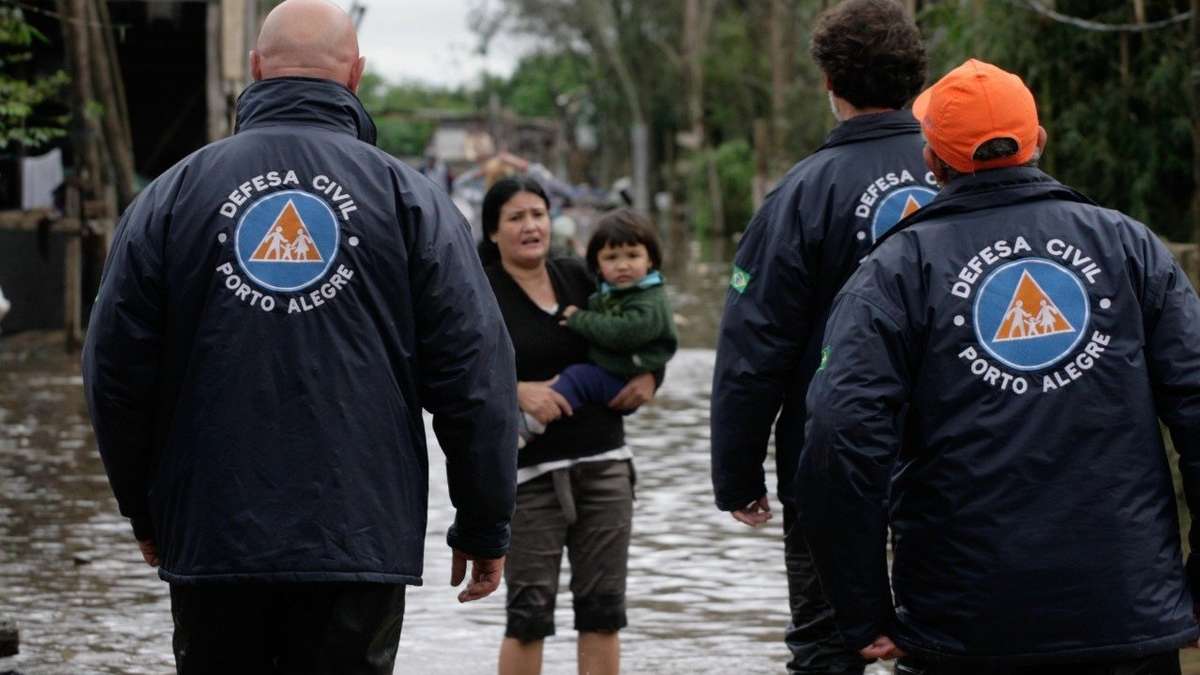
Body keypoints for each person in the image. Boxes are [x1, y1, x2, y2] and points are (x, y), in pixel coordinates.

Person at [81, 1, 518, 673]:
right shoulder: (411, 201)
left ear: (257, 70)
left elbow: (113, 372)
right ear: (355, 76)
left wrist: (145, 509)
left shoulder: (170, 198)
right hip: (358, 538)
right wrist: (484, 521)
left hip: (212, 538)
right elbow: (477, 377)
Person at [796, 58, 1200, 674]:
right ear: (1038, 142)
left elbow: (838, 439)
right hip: (1129, 619)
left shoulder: (894, 271)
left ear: (931, 161)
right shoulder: (1130, 247)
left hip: (962, 630)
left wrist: (862, 611)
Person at [708, 1, 929, 672]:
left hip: (831, 463)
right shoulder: (968, 179)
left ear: (829, 84)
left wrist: (736, 472)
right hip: (955, 461)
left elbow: (754, 348)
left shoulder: (800, 194)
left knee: (830, 646)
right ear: (917, 77)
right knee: (950, 636)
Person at [480, 176, 657, 675]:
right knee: (528, 617)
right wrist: (516, 391)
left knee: (603, 612)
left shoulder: (581, 277)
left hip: (604, 467)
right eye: (516, 218)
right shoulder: (479, 290)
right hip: (529, 480)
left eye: (537, 214)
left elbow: (646, 323)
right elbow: (449, 373)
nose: (531, 226)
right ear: (494, 231)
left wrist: (650, 373)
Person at [518, 208, 678, 446]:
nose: (623, 266)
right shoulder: (608, 289)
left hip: (624, 374)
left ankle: (530, 424)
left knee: (578, 378)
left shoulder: (649, 298)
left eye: (632, 256)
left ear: (650, 259)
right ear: (597, 264)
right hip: (618, 376)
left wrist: (579, 319)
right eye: (612, 258)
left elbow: (624, 333)